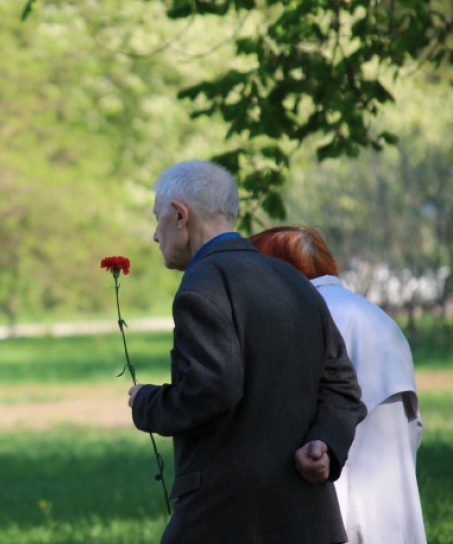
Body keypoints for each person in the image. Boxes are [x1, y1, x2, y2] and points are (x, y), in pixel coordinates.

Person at [127, 160, 367, 543]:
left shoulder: (202, 284)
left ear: (179, 215)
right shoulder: (294, 280)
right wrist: (325, 442)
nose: (156, 235)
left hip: (226, 518)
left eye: (158, 219)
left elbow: (212, 388)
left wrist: (146, 403)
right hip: (309, 521)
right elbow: (342, 386)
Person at [249, 225, 427, 544]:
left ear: (278, 271)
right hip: (393, 504)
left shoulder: (302, 316)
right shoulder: (375, 315)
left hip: (330, 507)